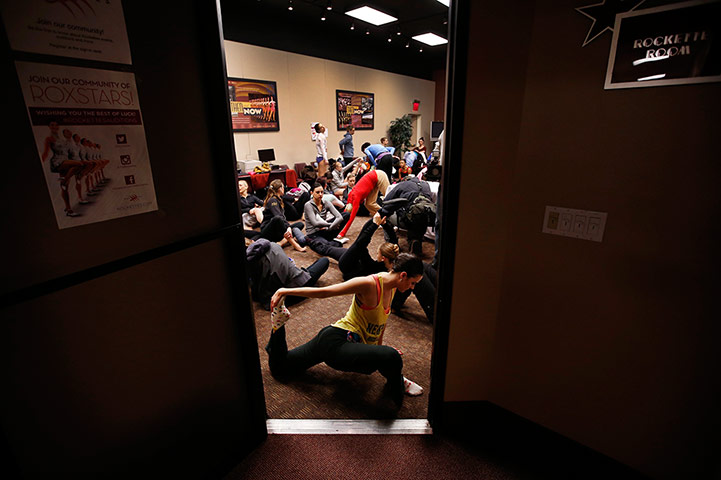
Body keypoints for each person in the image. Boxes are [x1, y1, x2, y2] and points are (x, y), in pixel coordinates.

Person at [266, 253, 425, 407]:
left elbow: (381, 324)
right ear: (403, 275)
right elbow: (325, 292)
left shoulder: (393, 287)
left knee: (282, 367)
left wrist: (379, 349)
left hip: (345, 341)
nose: (412, 288)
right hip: (335, 342)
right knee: (392, 356)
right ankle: (397, 384)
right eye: (413, 283)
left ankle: (395, 378)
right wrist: (284, 290)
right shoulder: (369, 284)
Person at [246, 238, 329, 310]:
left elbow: (255, 288)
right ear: (253, 241)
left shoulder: (248, 263)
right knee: (324, 261)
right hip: (299, 288)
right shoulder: (273, 245)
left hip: (274, 299)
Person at [379, 176, 435, 256]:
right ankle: (415, 240)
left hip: (408, 219)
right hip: (425, 220)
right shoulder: (426, 185)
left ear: (405, 180)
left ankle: (392, 243)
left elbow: (387, 201)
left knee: (385, 216)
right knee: (419, 216)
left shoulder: (403, 184)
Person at [336, 169, 390, 240]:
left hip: (379, 175)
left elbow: (352, 217)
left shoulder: (355, 197)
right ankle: (382, 218)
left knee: (390, 198)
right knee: (369, 204)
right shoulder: (350, 197)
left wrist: (343, 232)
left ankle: (393, 218)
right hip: (373, 179)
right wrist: (339, 226)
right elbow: (346, 212)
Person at [259, 179, 307, 251]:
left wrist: (288, 227)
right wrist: (288, 227)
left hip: (277, 230)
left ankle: (282, 241)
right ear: (280, 189)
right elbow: (278, 216)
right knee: (278, 218)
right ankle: (294, 244)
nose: (284, 189)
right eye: (283, 187)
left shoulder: (279, 199)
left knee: (300, 224)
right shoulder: (272, 200)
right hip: (268, 231)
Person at [303, 183, 350, 254]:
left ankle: (331, 241)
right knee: (326, 247)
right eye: (317, 192)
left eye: (322, 192)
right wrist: (330, 225)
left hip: (325, 230)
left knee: (346, 214)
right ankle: (333, 242)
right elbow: (315, 223)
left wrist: (330, 227)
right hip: (314, 234)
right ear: (311, 193)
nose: (320, 194)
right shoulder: (308, 205)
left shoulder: (326, 202)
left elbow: (339, 217)